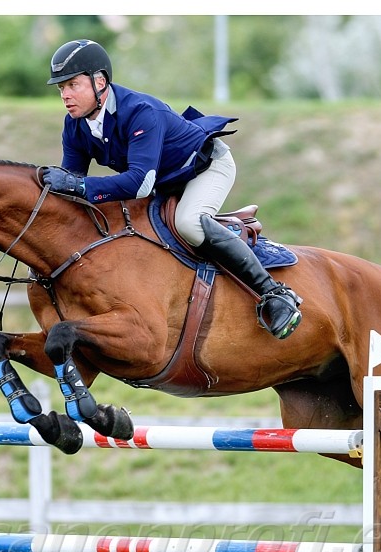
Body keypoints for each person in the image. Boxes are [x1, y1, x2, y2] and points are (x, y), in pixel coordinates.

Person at [42, 39, 302, 339]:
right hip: (165, 180)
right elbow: (72, 186)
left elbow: (139, 183)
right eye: (61, 88)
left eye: (72, 84)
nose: (65, 95)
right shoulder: (74, 125)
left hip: (205, 167)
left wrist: (79, 185)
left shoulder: (139, 112)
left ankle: (275, 294)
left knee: (188, 223)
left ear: (99, 82)